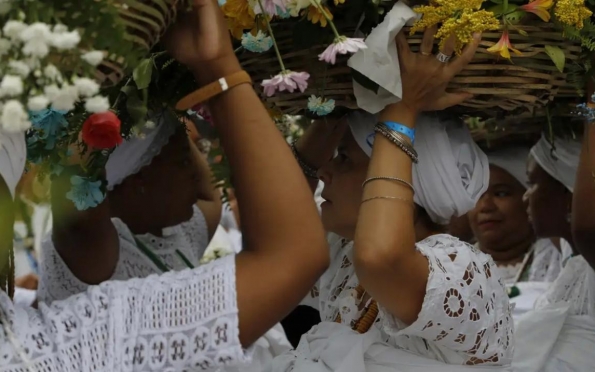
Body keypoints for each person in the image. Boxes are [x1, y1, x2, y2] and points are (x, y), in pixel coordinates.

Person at [0, 1, 329, 370]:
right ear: (135, 181)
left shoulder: (181, 235)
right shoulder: (85, 278)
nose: (198, 178)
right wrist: (216, 68)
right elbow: (290, 253)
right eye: (185, 162)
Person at [271, 28, 513, 371]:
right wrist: (333, 115)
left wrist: (403, 108)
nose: (324, 172)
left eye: (344, 158)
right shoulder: (345, 251)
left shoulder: (460, 268)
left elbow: (381, 257)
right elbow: (272, 227)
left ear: (401, 178)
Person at [38, 111, 222, 302]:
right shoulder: (94, 253)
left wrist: (165, 100)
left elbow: (211, 193)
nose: (197, 174)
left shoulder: (179, 236)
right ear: (140, 177)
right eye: (183, 161)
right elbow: (75, 185)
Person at [512, 132, 594, 371]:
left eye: (532, 184)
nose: (525, 198)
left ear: (570, 198)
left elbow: (587, 228)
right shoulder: (571, 259)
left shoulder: (590, 256)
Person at [468, 146, 561, 285]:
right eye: (476, 195)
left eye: (501, 193)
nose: (485, 206)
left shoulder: (559, 257)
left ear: (529, 198)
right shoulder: (451, 270)